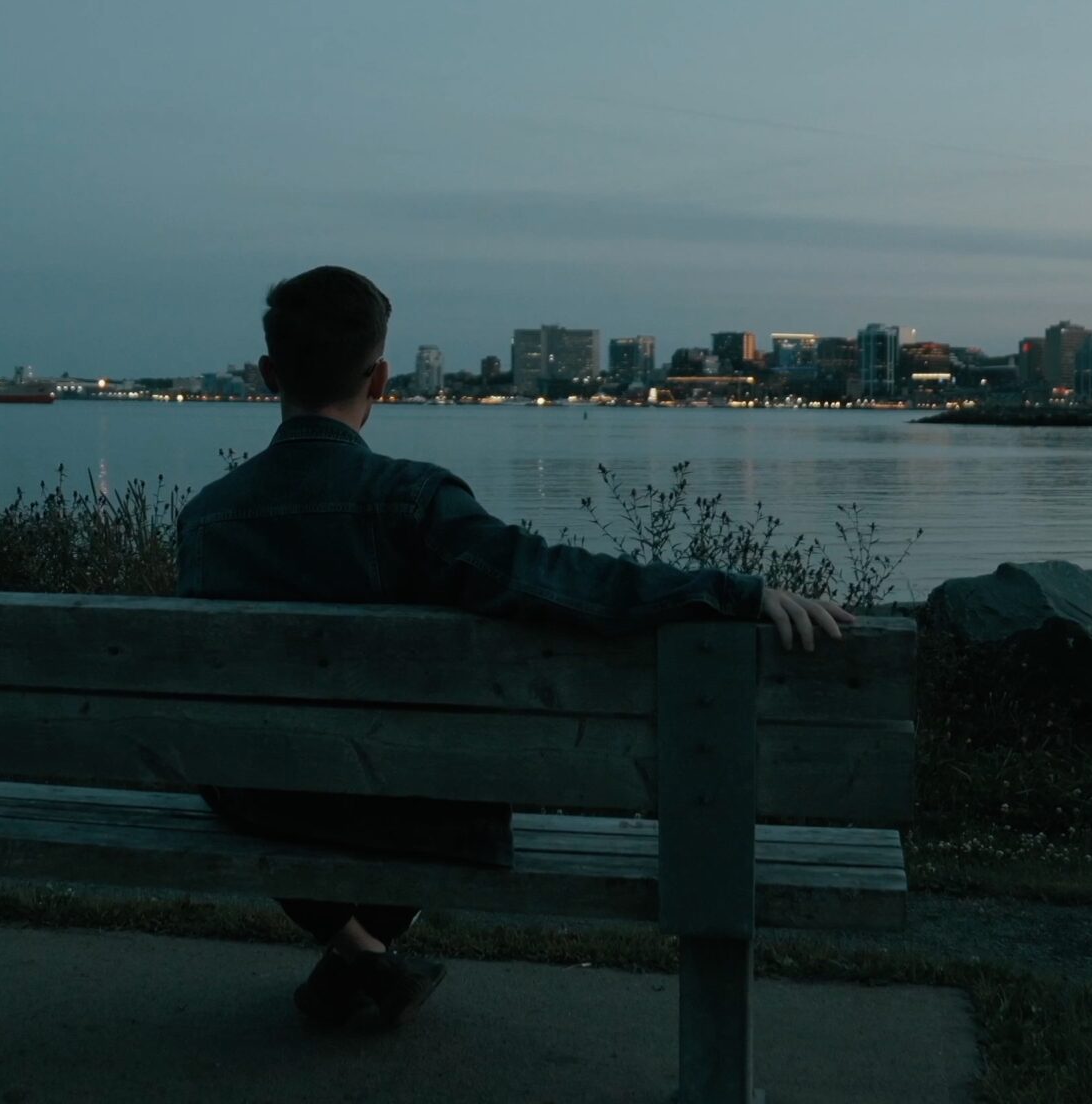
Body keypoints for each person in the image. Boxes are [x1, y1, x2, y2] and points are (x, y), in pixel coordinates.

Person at [175, 266, 853, 1028]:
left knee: (276, 764)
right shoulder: (415, 503)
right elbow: (560, 582)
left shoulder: (206, 521)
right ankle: (363, 958)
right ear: (383, 378)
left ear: (268, 374)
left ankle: (358, 956)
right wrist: (733, 593)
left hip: (255, 792)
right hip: (412, 804)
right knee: (429, 772)